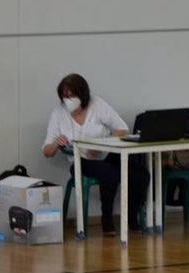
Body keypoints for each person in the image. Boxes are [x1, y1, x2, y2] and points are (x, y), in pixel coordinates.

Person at [41, 73, 148, 238]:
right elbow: (47, 151)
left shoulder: (97, 104)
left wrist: (102, 144)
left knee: (140, 174)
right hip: (81, 160)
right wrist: (57, 142)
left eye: (72, 95)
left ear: (82, 94)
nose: (68, 99)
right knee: (109, 174)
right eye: (65, 96)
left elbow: (122, 129)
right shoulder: (58, 114)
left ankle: (132, 217)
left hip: (106, 154)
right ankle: (107, 219)